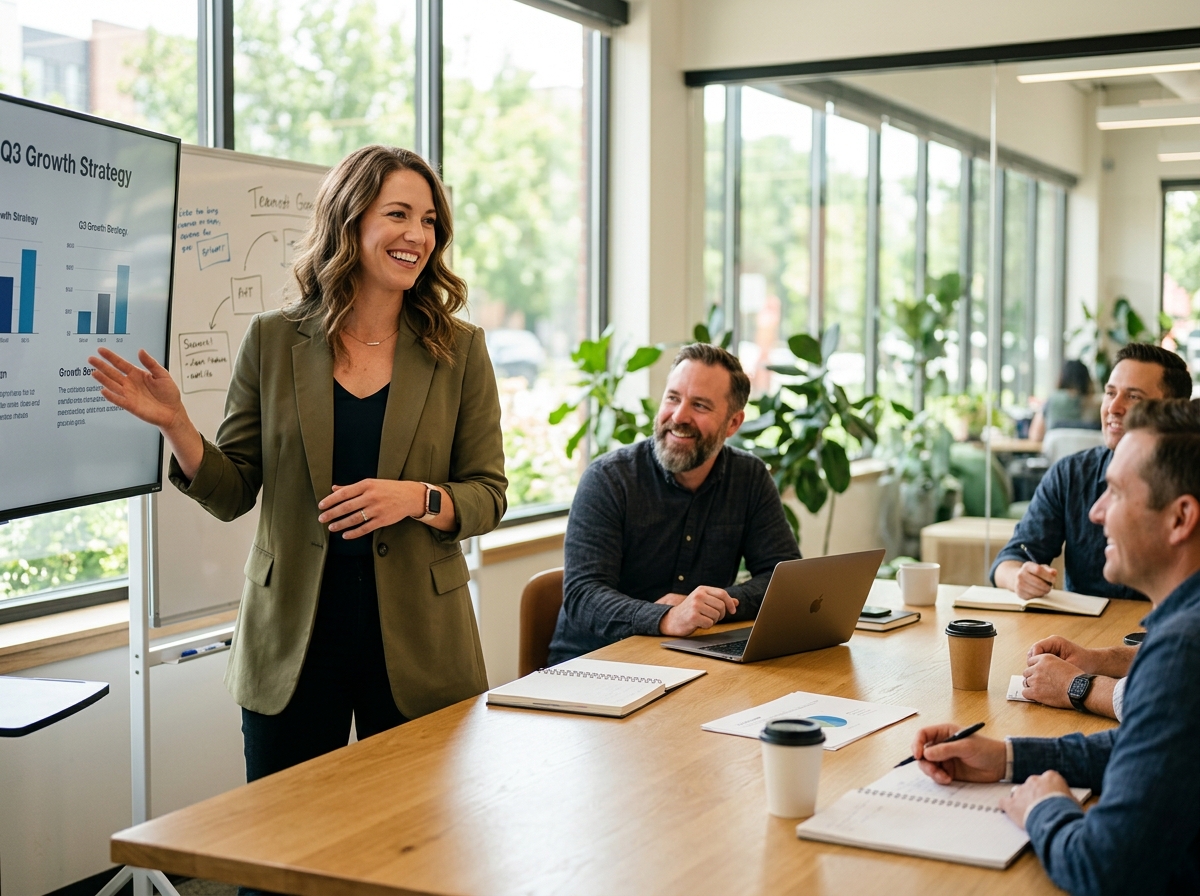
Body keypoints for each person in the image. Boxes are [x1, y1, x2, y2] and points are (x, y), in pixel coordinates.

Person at [89, 146, 507, 783]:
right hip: (293, 640)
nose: (417, 235)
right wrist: (177, 425)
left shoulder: (459, 349)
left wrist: (416, 498)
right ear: (351, 219)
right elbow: (232, 491)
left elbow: (488, 494)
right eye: (399, 214)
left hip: (421, 642)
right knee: (279, 858)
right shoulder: (273, 339)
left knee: (415, 854)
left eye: (429, 221)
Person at [913, 398, 1200, 895]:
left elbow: (1103, 868)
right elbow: (1147, 750)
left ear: (1180, 518)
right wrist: (1006, 758)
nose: (1095, 512)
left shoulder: (1180, 649)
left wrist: (1043, 807)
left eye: (1114, 492)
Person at [546, 343, 800, 665]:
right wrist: (666, 617)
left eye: (700, 406)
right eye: (673, 398)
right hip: (593, 664)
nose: (679, 417)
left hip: (690, 660)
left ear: (733, 423)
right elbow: (584, 597)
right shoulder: (608, 479)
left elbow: (784, 578)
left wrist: (712, 604)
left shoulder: (748, 477)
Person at [991, 343, 1191, 717]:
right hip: (1101, 641)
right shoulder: (1071, 473)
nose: (1114, 408)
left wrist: (1076, 686)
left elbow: (1166, 703)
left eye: (1133, 397)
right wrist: (1020, 576)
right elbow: (1011, 557)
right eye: (1110, 393)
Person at [1027, 359, 1100, 442]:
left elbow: (1035, 435)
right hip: (1089, 454)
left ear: (1062, 377)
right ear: (1087, 380)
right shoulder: (1097, 405)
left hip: (1056, 454)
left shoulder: (1052, 400)